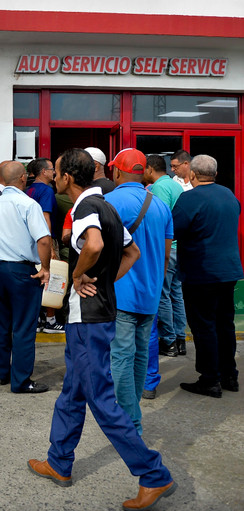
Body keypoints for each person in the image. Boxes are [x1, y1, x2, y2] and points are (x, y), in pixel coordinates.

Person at [29, 148, 176, 511]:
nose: (55, 177)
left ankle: (153, 474)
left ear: (66, 178)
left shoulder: (85, 208)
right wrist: (106, 282)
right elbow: (132, 254)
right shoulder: (106, 205)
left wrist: (79, 275)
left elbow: (92, 245)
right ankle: (59, 461)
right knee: (73, 392)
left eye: (57, 173)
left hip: (89, 319)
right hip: (100, 311)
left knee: (101, 399)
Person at [104, 148, 172, 434]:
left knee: (120, 354)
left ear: (118, 172)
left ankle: (130, 420)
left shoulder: (108, 202)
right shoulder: (160, 205)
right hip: (151, 292)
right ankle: (132, 411)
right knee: (141, 353)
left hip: (120, 291)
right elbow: (166, 255)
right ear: (142, 171)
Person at [173, 154, 243, 398]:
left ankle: (209, 379)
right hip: (228, 271)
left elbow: (172, 229)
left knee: (204, 327)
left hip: (200, 272)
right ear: (215, 173)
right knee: (225, 324)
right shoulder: (229, 196)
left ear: (192, 174)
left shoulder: (189, 199)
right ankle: (229, 375)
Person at [0, 161, 51, 394]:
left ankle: (1, 373)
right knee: (23, 326)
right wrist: (45, 268)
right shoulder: (28, 204)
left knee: (0, 323)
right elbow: (43, 239)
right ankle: (21, 381)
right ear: (23, 177)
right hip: (22, 271)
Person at [141, 154, 185, 400]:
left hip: (168, 248)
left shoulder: (158, 188)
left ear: (149, 169)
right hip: (181, 248)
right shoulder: (174, 184)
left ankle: (168, 340)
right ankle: (179, 337)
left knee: (163, 295)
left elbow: (159, 221)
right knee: (177, 294)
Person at [25, 157, 64, 334]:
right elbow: (45, 218)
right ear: (43, 172)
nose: (54, 172)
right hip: (45, 240)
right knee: (52, 277)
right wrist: (49, 247)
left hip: (29, 241)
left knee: (36, 277)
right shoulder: (47, 191)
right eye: (51, 169)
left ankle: (39, 318)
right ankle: (50, 320)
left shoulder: (27, 190)